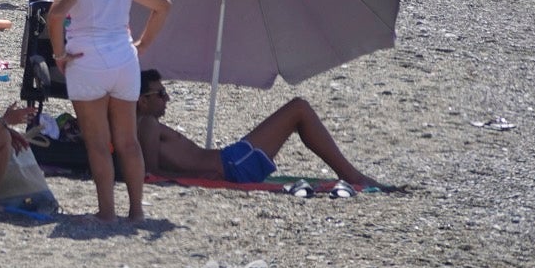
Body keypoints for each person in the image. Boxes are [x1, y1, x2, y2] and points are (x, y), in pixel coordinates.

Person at [47, 0, 172, 222]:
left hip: (86, 60)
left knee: (98, 143)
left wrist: (59, 54)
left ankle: (107, 212)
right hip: (124, 59)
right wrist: (142, 43)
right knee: (128, 141)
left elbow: (55, 15)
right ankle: (137, 211)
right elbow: (163, 5)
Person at [135, 69, 377, 188]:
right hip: (232, 166)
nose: (167, 99)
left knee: (298, 110)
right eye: (161, 93)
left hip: (230, 162)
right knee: (299, 109)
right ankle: (352, 176)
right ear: (142, 101)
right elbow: (151, 172)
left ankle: (351, 174)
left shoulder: (147, 125)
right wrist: (197, 177)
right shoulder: (147, 123)